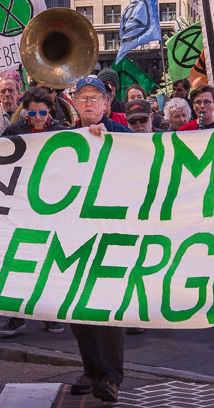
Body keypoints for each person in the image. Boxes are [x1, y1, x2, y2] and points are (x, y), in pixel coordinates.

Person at [68, 76, 130, 404]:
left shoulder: (122, 136)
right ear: (75, 103)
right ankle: (91, 369)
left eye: (96, 97)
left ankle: (110, 377)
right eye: (83, 97)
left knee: (106, 309)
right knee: (77, 309)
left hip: (112, 236)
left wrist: (107, 144)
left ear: (107, 103)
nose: (89, 103)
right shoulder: (66, 138)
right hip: (75, 236)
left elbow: (141, 171)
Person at [0, 88, 66, 337]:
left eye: (43, 112)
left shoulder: (60, 131)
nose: (38, 117)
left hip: (51, 208)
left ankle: (48, 315)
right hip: (20, 205)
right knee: (19, 259)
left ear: (50, 111)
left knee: (46, 261)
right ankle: (17, 316)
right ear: (25, 111)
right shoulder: (16, 131)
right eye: (33, 112)